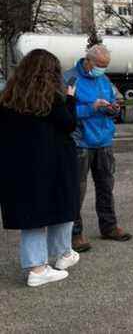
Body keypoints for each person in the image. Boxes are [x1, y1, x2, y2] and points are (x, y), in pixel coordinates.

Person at [0, 49, 81, 287]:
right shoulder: (52, 99)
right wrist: (71, 98)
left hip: (19, 168)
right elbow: (68, 124)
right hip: (53, 166)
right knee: (64, 207)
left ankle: (39, 265)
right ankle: (57, 258)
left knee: (32, 218)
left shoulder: (8, 99)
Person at [64, 43, 132, 253]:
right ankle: (75, 234)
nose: (102, 69)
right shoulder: (70, 79)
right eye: (100, 65)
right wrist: (91, 108)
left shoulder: (104, 79)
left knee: (106, 187)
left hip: (104, 141)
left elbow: (113, 100)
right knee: (77, 190)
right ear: (88, 61)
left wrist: (113, 109)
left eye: (106, 65)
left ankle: (109, 226)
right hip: (80, 142)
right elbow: (65, 112)